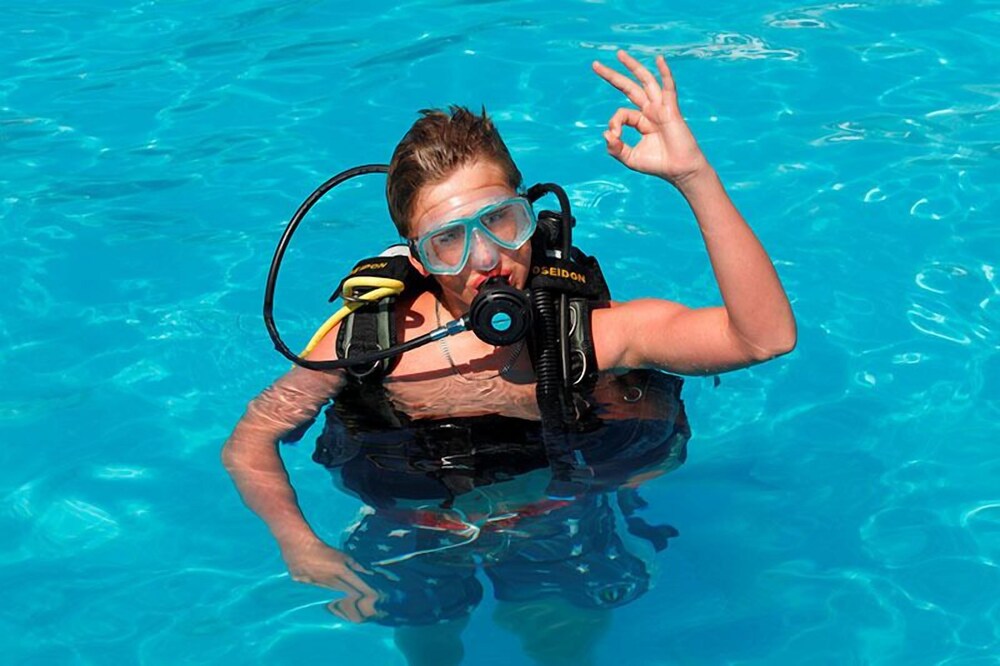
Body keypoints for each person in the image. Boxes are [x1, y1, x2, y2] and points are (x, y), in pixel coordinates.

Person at [222, 50, 795, 665]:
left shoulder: (590, 334)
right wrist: (298, 544)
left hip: (554, 516)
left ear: (530, 214)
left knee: (563, 642)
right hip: (417, 527)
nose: (487, 259)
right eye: (449, 240)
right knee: (428, 640)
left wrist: (694, 176)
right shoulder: (375, 343)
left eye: (500, 220)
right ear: (418, 260)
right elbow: (250, 443)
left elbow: (763, 338)